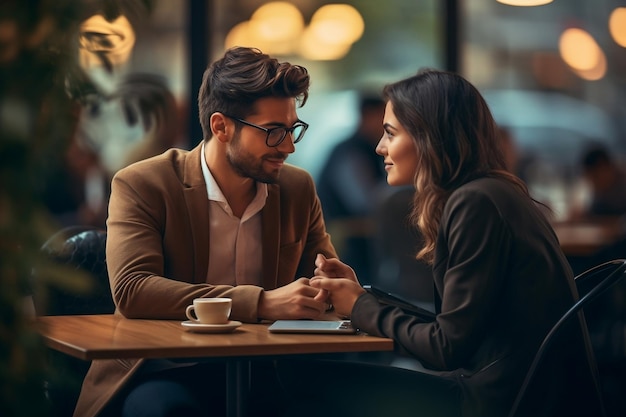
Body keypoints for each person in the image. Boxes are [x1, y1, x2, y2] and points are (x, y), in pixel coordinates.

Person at [283, 69, 603, 417]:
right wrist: (361, 297)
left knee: (297, 382)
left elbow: (446, 349)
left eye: (390, 133)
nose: (380, 147)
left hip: (498, 403)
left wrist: (361, 307)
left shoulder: (476, 203)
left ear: (429, 137)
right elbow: (454, 330)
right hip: (517, 394)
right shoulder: (492, 193)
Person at [72, 46, 337, 417]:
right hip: (162, 370)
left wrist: (334, 285)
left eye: (293, 130)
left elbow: (325, 277)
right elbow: (134, 290)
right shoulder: (144, 183)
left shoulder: (296, 188)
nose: (289, 147)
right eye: (274, 132)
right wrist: (260, 303)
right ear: (221, 126)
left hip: (265, 370)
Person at [316, 95, 387, 283]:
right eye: (383, 118)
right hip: (346, 243)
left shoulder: (369, 150)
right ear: (367, 115)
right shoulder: (349, 152)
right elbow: (363, 202)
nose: (385, 126)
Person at [578, 144, 626, 218]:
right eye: (590, 178)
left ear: (606, 168)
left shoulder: (622, 189)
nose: (593, 182)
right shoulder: (602, 191)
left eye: (595, 176)